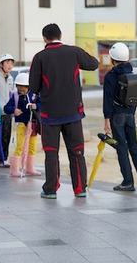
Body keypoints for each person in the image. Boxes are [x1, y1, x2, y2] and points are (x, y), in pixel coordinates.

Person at [29, 23, 99, 199]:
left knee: (51, 152)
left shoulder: (39, 57)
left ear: (44, 38)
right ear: (61, 35)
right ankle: (80, 188)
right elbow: (93, 64)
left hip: (49, 114)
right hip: (74, 112)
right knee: (77, 151)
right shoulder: (74, 52)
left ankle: (51, 189)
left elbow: (33, 87)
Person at [103, 42, 137, 191]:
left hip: (116, 116)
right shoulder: (132, 74)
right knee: (134, 146)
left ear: (112, 59)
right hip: (130, 115)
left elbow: (107, 99)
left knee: (122, 148)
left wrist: (107, 120)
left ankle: (127, 182)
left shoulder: (111, 76)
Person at [4, 73, 41, 177]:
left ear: (28, 86)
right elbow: (6, 108)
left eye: (23, 88)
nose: (21, 90)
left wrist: (36, 106)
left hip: (33, 123)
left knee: (32, 146)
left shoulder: (34, 95)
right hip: (21, 123)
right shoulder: (15, 96)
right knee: (20, 145)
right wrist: (14, 110)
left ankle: (30, 168)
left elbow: (42, 104)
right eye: (19, 87)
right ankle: (14, 169)